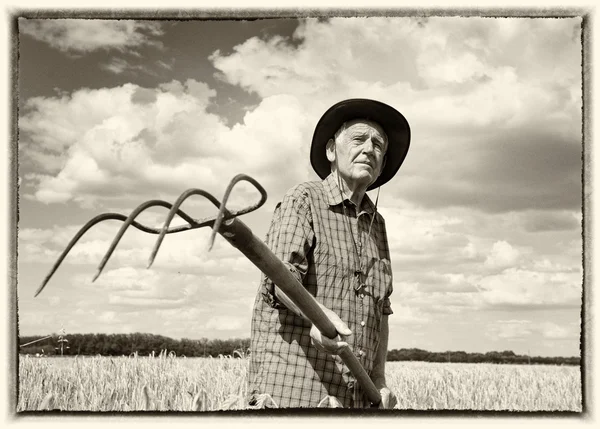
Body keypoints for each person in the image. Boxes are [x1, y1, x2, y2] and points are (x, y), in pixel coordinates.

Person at [248, 98, 411, 408]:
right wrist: (320, 318)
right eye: (359, 139)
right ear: (331, 151)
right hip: (295, 390)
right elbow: (281, 280)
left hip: (356, 397)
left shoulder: (378, 225)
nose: (369, 149)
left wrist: (378, 379)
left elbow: (381, 310)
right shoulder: (305, 199)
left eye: (378, 145)